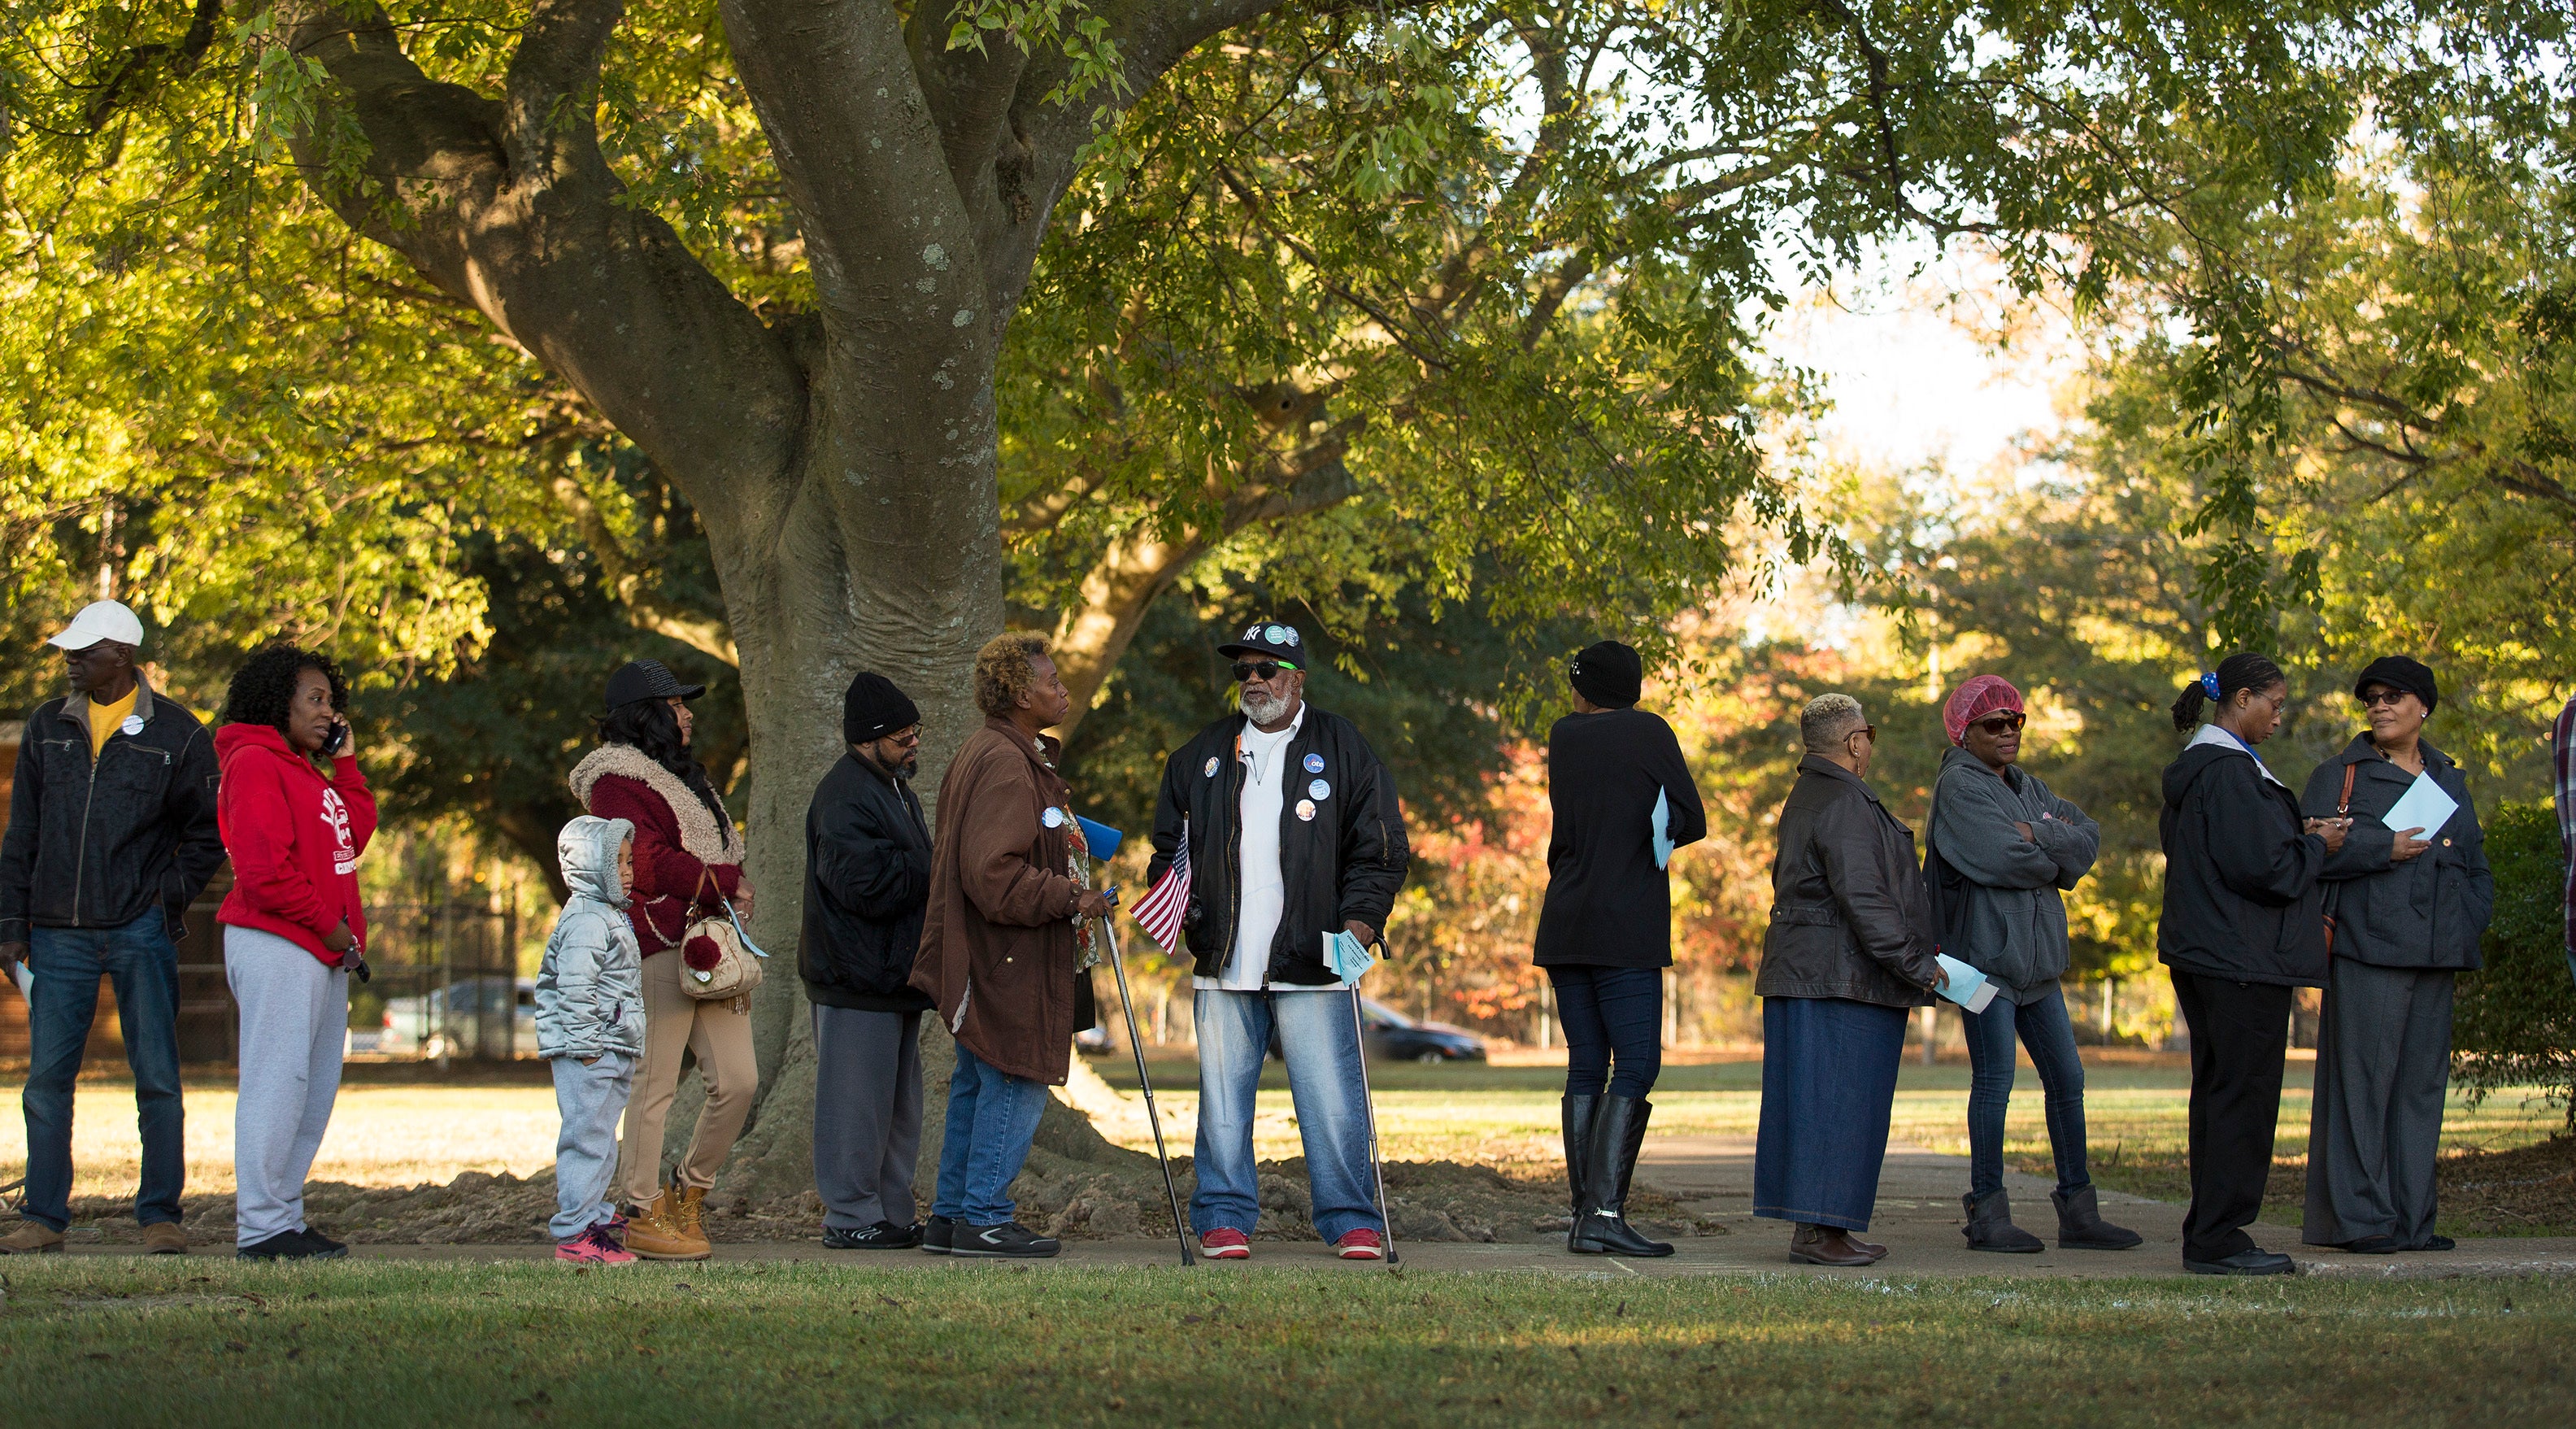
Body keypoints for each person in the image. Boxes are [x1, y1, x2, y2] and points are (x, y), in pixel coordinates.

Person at [1145, 619, 1410, 1262]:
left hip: (1313, 959)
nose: (1254, 681)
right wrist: (1179, 907)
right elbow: (1165, 851)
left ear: (1297, 677)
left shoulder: (1342, 745)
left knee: (1331, 1101)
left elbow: (1379, 847)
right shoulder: (1200, 755)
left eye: (1267, 669)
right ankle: (1223, 1216)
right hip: (1225, 960)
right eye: (1243, 671)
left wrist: (1361, 924)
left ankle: (1351, 1218)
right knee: (1224, 1107)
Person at [0, 600, 223, 1257]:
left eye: (82, 650)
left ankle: (160, 1216)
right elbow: (22, 837)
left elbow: (208, 835)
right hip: (56, 933)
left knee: (156, 1073)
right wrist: (11, 925)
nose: (69, 660)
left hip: (139, 930)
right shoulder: (46, 728)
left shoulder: (179, 734)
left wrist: (163, 900)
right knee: (46, 1082)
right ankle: (42, 1216)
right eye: (68, 650)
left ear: (121, 655)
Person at [910, 633, 1117, 1259]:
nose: (1062, 690)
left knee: (980, 1080)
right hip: (1010, 955)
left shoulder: (996, 751)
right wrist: (1070, 895)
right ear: (1021, 693)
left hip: (991, 952)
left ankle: (951, 1216)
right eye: (1052, 680)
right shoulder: (1004, 761)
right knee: (1017, 1074)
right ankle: (985, 1217)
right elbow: (992, 872)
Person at [1925, 675, 2141, 1253]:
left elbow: (2089, 837)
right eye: (1994, 723)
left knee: (2067, 1080)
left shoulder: (2029, 787)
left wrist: (2038, 833)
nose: (2008, 731)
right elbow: (2001, 858)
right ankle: (1988, 1211)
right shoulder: (1959, 787)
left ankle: (2079, 1210)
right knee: (1995, 1082)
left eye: (2015, 720)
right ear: (1964, 731)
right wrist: (2053, 845)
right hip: (1982, 966)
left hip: (2040, 965)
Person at [2159, 651, 2346, 1276]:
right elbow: (2267, 869)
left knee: (2218, 1090)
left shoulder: (2200, 770)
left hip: (2206, 951)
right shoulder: (2232, 773)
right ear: (2241, 699)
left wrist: (2297, 838)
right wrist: (2316, 844)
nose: (2279, 715)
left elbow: (2226, 852)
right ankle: (2219, 1236)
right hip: (2242, 956)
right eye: (2275, 702)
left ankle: (2209, 1228)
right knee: (2243, 1095)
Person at [2300, 656, 2493, 1254]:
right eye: (2372, 698)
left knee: (2420, 1091)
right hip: (2370, 951)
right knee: (2364, 1089)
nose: (2379, 705)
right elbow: (2309, 851)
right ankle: (2362, 1221)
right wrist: (2384, 846)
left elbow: (2476, 864)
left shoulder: (2449, 780)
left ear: (2423, 706)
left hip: (2438, 955)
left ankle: (2413, 1221)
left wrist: (2469, 919)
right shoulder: (2340, 773)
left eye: (2393, 696)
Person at [1751, 694, 1944, 1266]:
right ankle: (1819, 1233)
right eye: (1869, 734)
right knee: (1840, 1103)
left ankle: (1822, 1227)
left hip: (1811, 969)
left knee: (1816, 1103)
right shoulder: (1844, 801)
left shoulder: (1809, 795)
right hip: (1839, 976)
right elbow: (1865, 898)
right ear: (1854, 741)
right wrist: (1920, 965)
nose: (1869, 745)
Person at [570, 658, 753, 1261]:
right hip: (657, 943)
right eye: (675, 705)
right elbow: (643, 861)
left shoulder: (686, 778)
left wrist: (723, 885)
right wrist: (723, 880)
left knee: (738, 1080)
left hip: (711, 946)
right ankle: (641, 1209)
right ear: (645, 715)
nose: (687, 713)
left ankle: (688, 1192)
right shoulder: (614, 782)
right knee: (652, 1086)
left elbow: (692, 856)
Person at [1531, 639, 1705, 1257]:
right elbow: (1693, 816)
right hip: (1624, 920)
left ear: (1585, 687)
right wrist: (1657, 831)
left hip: (1565, 918)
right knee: (1635, 1063)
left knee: (1586, 1062)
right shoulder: (1650, 731)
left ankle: (1586, 1215)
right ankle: (1604, 1212)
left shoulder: (1564, 735)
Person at [214, 643, 376, 1261]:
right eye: (314, 699)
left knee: (311, 1089)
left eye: (330, 701)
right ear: (276, 701)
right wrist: (329, 927)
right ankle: (260, 1225)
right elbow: (263, 873)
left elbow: (354, 831)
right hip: (278, 941)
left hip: (318, 946)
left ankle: (283, 1216)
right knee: (276, 1083)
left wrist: (349, 763)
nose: (327, 712)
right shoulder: (255, 761)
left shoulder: (307, 770)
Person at [802, 673, 934, 1250]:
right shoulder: (844, 793)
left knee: (898, 1108)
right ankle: (850, 1214)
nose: (913, 743)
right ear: (869, 737)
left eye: (915, 731)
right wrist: (938, 867)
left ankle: (891, 1210)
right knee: (855, 1108)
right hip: (855, 977)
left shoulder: (895, 787)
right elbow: (864, 884)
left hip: (896, 977)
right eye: (903, 734)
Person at [537, 815, 647, 1266]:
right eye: (616, 861)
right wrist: (586, 1045)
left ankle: (594, 1218)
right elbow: (575, 986)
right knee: (586, 1138)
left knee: (602, 1139)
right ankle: (575, 1232)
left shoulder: (609, 914)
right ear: (589, 867)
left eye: (629, 860)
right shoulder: (586, 918)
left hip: (611, 1043)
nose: (627, 870)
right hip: (589, 1049)